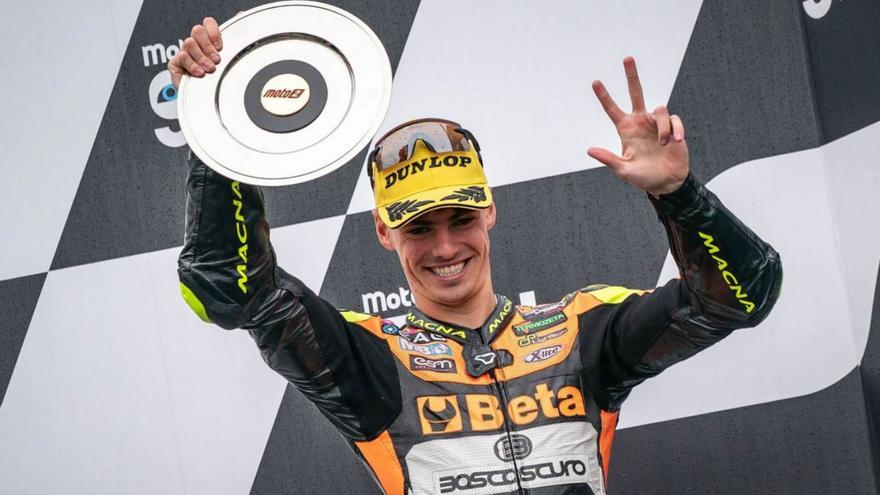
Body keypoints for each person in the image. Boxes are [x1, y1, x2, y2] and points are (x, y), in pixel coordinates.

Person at [171, 17, 782, 495]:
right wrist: (215, 132)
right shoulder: (367, 359)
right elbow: (228, 288)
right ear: (384, 232)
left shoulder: (582, 331)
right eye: (418, 228)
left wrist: (678, 194)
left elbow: (743, 296)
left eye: (461, 218)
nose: (444, 246)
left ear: (490, 211)